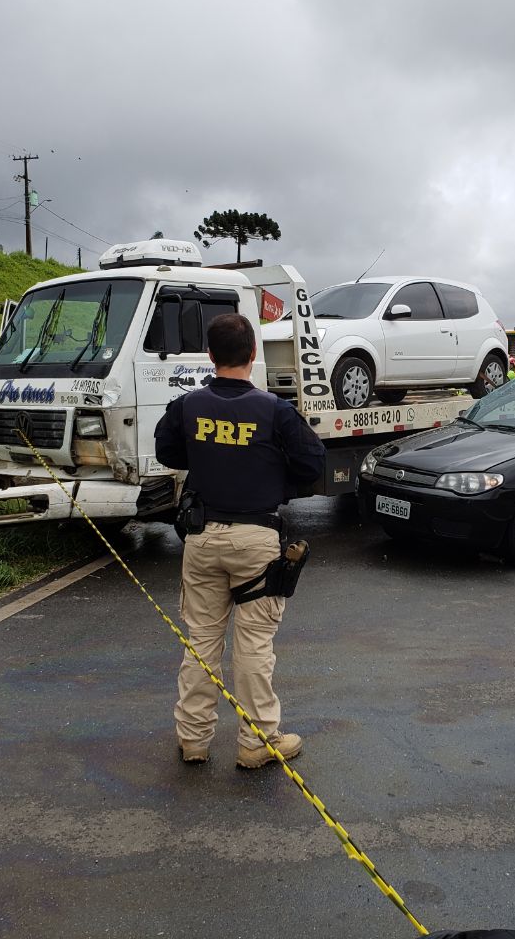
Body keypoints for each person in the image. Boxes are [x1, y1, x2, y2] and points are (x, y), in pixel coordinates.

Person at [154, 313, 327, 768]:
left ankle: (192, 740)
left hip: (202, 538)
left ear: (210, 356)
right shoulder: (275, 410)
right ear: (253, 354)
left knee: (202, 641)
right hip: (256, 540)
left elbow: (166, 451)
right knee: (253, 645)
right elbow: (312, 464)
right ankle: (258, 744)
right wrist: (275, 480)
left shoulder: (187, 405)